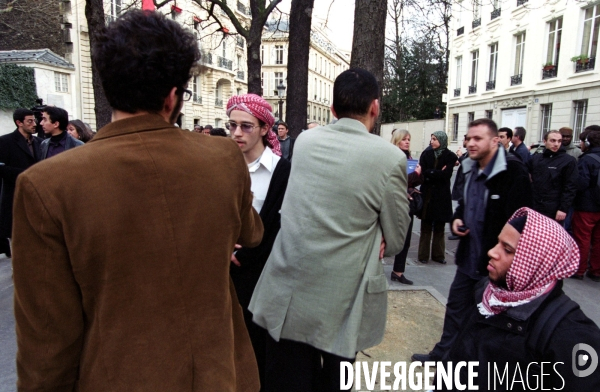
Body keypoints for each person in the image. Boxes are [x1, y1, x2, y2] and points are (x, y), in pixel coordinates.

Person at [12, 10, 263, 391]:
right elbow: (252, 232)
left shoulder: (45, 185)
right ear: (172, 96)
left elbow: (47, 340)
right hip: (220, 375)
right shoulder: (223, 159)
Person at [249, 68, 410, 392]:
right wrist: (377, 230)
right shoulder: (390, 157)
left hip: (288, 292)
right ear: (375, 108)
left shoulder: (306, 142)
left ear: (333, 110)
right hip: (342, 303)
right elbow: (396, 237)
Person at [438, 208, 600, 391]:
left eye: (507, 249)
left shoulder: (572, 335)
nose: (492, 252)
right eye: (497, 243)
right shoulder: (488, 293)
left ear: (537, 262)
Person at [412, 118, 532, 363]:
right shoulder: (471, 167)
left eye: (478, 138)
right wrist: (458, 219)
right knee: (456, 310)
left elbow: (521, 221)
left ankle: (473, 368)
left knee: (487, 322)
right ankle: (443, 356)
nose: (471, 143)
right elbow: (466, 203)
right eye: (469, 138)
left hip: (495, 267)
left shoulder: (513, 171)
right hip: (469, 260)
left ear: (495, 141)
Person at [227, 94, 290, 387]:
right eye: (232, 125)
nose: (237, 133)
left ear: (265, 128)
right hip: (227, 272)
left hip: (267, 275)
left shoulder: (283, 170)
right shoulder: (222, 167)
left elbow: (283, 225)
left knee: (260, 348)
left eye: (246, 126)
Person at [0, 109, 42, 254]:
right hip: (14, 195)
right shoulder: (5, 142)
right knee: (15, 237)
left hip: (36, 197)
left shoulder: (39, 142)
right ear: (19, 123)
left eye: (34, 120)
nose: (34, 124)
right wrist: (26, 174)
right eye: (30, 121)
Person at [417, 131, 458, 264]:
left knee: (440, 227)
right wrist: (437, 172)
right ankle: (423, 256)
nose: (432, 141)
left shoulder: (450, 156)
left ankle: (438, 255)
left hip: (441, 196)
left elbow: (447, 175)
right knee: (426, 227)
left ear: (442, 140)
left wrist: (433, 173)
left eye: (434, 139)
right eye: (431, 139)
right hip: (427, 194)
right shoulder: (426, 154)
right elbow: (423, 173)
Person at [390, 129, 422, 285]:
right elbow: (398, 178)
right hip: (394, 202)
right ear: (397, 140)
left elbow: (416, 180)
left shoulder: (409, 157)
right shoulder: (392, 156)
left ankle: (398, 271)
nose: (407, 142)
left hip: (406, 203)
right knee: (387, 236)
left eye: (409, 139)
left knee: (406, 238)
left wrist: (417, 175)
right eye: (404, 139)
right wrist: (415, 175)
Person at [528, 130, 578, 221]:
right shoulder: (536, 158)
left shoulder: (568, 161)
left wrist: (563, 208)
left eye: (559, 141)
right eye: (553, 140)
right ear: (544, 141)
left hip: (554, 208)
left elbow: (570, 186)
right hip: (535, 205)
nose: (556, 144)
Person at [571, 126, 600, 281]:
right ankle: (596, 271)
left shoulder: (587, 159)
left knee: (583, 239)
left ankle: (579, 270)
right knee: (598, 240)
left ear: (588, 143)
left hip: (587, 207)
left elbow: (582, 183)